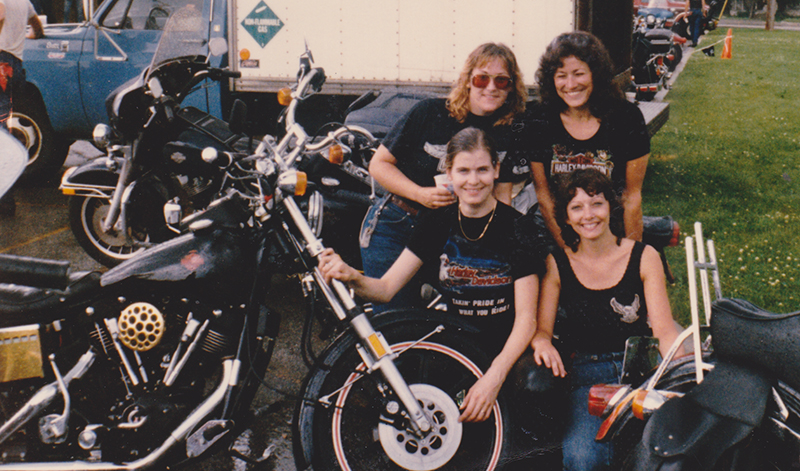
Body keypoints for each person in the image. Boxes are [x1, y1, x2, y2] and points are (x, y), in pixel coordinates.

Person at [322, 127, 544, 422]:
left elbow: (526, 321)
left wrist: (494, 378)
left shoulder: (518, 228)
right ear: (449, 172)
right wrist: (351, 276)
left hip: (504, 353)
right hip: (454, 352)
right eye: (463, 170)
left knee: (536, 388)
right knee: (439, 416)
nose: (473, 180)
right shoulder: (437, 220)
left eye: (482, 170)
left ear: (496, 170)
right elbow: (386, 289)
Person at [531, 168, 682, 471]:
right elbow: (542, 330)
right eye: (577, 207)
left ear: (610, 207)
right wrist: (542, 342)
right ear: (566, 217)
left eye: (596, 203)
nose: (588, 215)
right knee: (582, 458)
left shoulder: (644, 256)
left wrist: (677, 365)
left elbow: (664, 330)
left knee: (663, 452)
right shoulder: (558, 263)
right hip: (588, 378)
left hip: (641, 372)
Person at [361, 42, 529, 313]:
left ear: (511, 88)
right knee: (395, 321)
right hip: (399, 224)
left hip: (453, 236)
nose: (491, 87)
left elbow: (502, 196)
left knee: (451, 325)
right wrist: (420, 193)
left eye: (502, 81)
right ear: (468, 81)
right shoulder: (430, 112)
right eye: (482, 78)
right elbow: (379, 165)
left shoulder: (508, 130)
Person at [521, 31, 650, 250]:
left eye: (579, 73)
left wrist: (630, 257)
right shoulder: (538, 119)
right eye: (561, 75)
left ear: (595, 75)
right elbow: (544, 196)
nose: (570, 84)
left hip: (610, 232)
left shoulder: (626, 118)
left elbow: (631, 197)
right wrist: (569, 254)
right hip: (557, 235)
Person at [0, 0, 44, 217]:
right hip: (15, 66)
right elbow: (37, 27)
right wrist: (32, 36)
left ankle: (5, 201)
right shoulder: (23, 2)